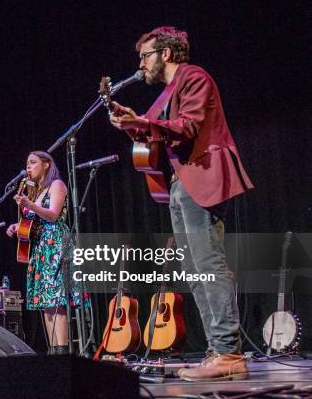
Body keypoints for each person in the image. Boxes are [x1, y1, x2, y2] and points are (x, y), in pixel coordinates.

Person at [109, 26, 254, 381]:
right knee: (195, 271)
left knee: (208, 265)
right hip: (180, 183)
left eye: (145, 56)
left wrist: (142, 121)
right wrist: (135, 124)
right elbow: (161, 134)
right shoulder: (171, 90)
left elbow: (188, 127)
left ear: (166, 54)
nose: (141, 64)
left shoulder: (194, 77)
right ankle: (218, 352)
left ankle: (229, 352)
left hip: (200, 178)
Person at [6, 151, 81, 355]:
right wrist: (17, 226)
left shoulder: (56, 185)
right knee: (47, 303)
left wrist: (29, 205)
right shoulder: (36, 192)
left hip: (55, 244)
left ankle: (62, 351)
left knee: (56, 300)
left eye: (33, 162)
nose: (28, 167)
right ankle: (53, 351)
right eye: (27, 163)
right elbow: (33, 223)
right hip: (40, 246)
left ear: (46, 164)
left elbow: (53, 215)